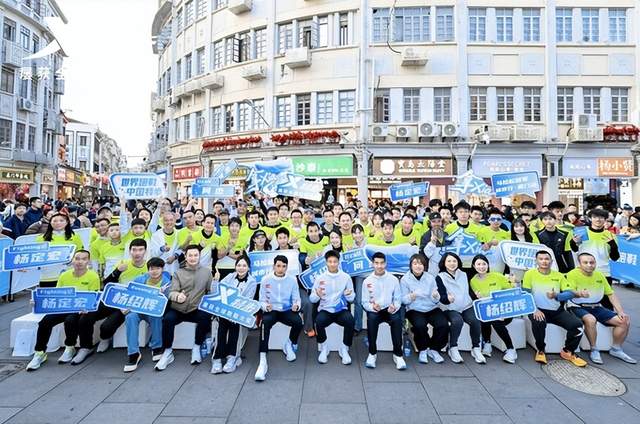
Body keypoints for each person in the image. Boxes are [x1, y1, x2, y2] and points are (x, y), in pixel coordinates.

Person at [26, 250, 101, 371]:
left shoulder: (93, 276)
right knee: (45, 322)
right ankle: (39, 353)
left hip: (79, 310)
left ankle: (70, 347)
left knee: (70, 320)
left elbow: (94, 297)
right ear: (72, 260)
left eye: (83, 259)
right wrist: (37, 302)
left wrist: (87, 307)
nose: (80, 262)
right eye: (77, 258)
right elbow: (55, 295)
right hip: (63, 307)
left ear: (88, 261)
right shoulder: (64, 275)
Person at [566, 253, 636, 364]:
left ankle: (616, 349)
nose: (589, 265)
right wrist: (579, 293)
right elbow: (569, 292)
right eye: (585, 262)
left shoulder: (599, 275)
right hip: (577, 306)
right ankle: (594, 349)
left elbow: (611, 294)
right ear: (579, 264)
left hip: (597, 306)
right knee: (591, 319)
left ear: (595, 263)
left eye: (592, 262)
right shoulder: (572, 274)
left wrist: (620, 311)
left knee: (624, 320)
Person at [523, 251, 586, 367]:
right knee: (538, 322)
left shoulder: (559, 276)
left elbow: (570, 293)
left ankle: (568, 351)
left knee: (578, 326)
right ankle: (541, 350)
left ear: (551, 261)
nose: (544, 261)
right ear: (536, 261)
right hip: (538, 310)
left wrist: (557, 295)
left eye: (547, 259)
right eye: (541, 259)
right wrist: (534, 309)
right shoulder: (529, 274)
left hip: (557, 311)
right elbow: (526, 294)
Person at [156, 245, 213, 371]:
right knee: (167, 319)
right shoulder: (178, 273)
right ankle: (167, 351)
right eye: (190, 255)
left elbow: (210, 292)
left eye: (196, 255)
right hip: (178, 308)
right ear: (186, 257)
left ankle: (197, 346)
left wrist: (216, 282)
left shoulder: (206, 272)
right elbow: (171, 292)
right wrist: (177, 296)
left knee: (205, 317)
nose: (193, 258)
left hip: (195, 308)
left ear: (199, 256)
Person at [255, 255, 303, 381]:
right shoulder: (266, 279)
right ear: (273, 266)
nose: (281, 269)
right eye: (278, 266)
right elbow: (261, 300)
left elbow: (297, 298)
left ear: (287, 267)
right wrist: (265, 307)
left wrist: (296, 306)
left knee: (298, 322)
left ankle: (289, 343)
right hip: (272, 310)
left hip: (287, 310)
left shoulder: (292, 279)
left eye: (283, 266)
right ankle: (262, 358)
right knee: (265, 323)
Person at [123, 257, 171, 372]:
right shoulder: (139, 279)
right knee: (130, 317)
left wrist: (159, 296)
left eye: (157, 268)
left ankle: (157, 347)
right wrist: (125, 307)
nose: (154, 271)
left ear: (162, 269)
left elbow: (167, 303)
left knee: (156, 316)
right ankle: (133, 353)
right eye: (152, 269)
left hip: (153, 310)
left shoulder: (167, 283)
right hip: (138, 309)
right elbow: (129, 293)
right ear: (148, 269)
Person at [436, 252, 486, 364]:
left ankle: (476, 348)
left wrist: (475, 296)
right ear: (444, 263)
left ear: (458, 262)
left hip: (466, 305)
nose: (452, 263)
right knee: (457, 321)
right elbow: (441, 297)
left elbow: (468, 291)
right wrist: (447, 298)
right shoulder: (440, 277)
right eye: (449, 261)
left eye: (454, 261)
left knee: (475, 320)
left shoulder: (464, 274)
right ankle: (453, 347)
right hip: (450, 308)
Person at [211, 256, 257, 374]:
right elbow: (217, 292)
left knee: (235, 324)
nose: (241, 268)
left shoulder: (252, 281)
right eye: (239, 265)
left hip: (239, 312)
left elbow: (247, 300)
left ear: (248, 268)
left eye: (244, 266)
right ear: (235, 266)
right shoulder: (229, 277)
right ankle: (217, 358)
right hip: (225, 311)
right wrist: (215, 281)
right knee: (221, 324)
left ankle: (232, 357)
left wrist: (234, 312)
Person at [469, 255, 518, 363]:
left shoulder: (497, 276)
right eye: (478, 264)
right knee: (484, 316)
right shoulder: (473, 281)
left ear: (488, 265)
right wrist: (479, 298)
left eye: (484, 264)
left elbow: (512, 291)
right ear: (474, 266)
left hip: (505, 310)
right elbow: (481, 300)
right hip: (490, 310)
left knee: (495, 320)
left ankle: (511, 349)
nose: (481, 267)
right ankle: (487, 343)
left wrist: (514, 281)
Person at [400, 254, 448, 364]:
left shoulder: (430, 277)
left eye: (421, 264)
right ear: (411, 265)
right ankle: (423, 349)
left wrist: (436, 296)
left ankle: (434, 349)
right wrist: (412, 296)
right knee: (420, 325)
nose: (418, 266)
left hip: (431, 307)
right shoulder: (405, 279)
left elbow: (436, 299)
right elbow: (403, 300)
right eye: (415, 264)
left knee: (443, 324)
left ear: (424, 266)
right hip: (414, 309)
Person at [361, 252, 406, 370]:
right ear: (372, 264)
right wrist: (372, 307)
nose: (379, 266)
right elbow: (364, 302)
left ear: (385, 264)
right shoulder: (367, 281)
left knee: (397, 319)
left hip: (389, 308)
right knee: (371, 319)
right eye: (376, 263)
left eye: (382, 263)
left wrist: (394, 306)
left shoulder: (393, 279)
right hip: (375, 309)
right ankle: (372, 354)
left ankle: (398, 355)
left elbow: (398, 299)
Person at [310, 250, 355, 365]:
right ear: (326, 262)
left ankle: (344, 348)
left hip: (341, 310)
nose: (332, 264)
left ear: (338, 262)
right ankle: (324, 347)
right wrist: (317, 295)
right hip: (325, 309)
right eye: (330, 261)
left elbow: (352, 298)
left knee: (350, 320)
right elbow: (312, 299)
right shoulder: (320, 278)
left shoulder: (346, 277)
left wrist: (348, 295)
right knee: (319, 321)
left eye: (335, 261)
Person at [35, 213, 85, 287]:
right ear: (50, 223)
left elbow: (80, 252)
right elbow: (36, 255)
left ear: (67, 222)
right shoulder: (41, 238)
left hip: (69, 273)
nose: (58, 223)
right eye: (54, 221)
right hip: (48, 276)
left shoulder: (75, 237)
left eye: (61, 221)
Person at [573, 208, 620, 284]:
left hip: (603, 273)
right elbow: (574, 250)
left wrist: (613, 245)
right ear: (590, 218)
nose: (598, 219)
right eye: (595, 217)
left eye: (601, 217)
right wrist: (574, 242)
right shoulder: (581, 232)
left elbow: (615, 257)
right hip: (583, 272)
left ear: (605, 219)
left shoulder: (610, 235)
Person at [420, 212, 446, 276]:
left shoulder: (446, 235)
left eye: (439, 221)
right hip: (431, 271)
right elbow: (423, 255)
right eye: (434, 221)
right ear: (430, 223)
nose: (436, 224)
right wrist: (431, 243)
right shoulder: (425, 236)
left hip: (445, 268)